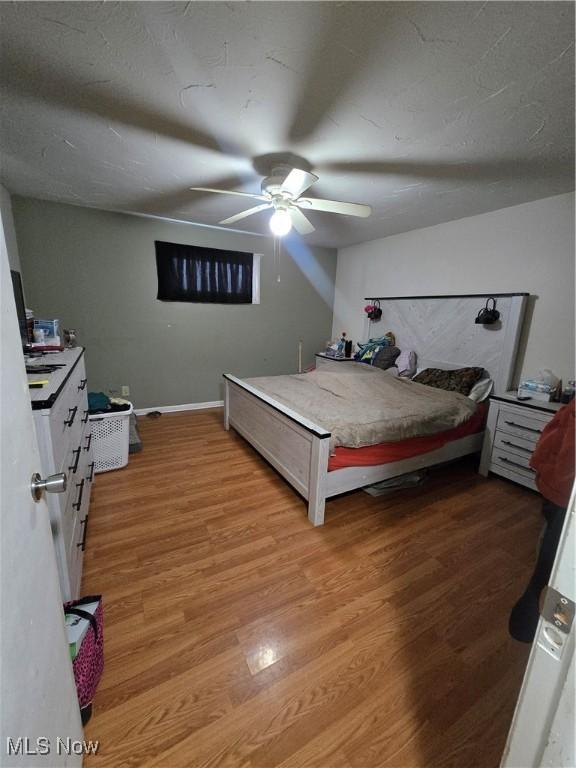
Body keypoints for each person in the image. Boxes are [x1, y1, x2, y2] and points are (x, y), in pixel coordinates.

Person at [509, 399, 575, 643]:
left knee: (550, 565)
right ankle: (552, 636)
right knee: (554, 572)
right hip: (564, 496)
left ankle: (550, 631)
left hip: (559, 491)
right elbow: (569, 453)